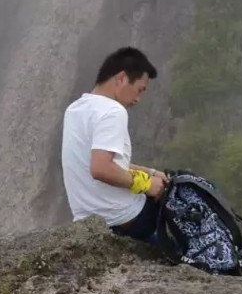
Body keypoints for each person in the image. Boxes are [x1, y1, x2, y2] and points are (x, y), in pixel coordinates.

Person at [61, 47, 168, 241]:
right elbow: (101, 169)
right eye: (139, 90)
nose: (137, 99)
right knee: (177, 198)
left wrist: (151, 173)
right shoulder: (113, 111)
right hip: (123, 219)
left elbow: (104, 162)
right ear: (121, 78)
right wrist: (146, 184)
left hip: (87, 221)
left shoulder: (74, 110)